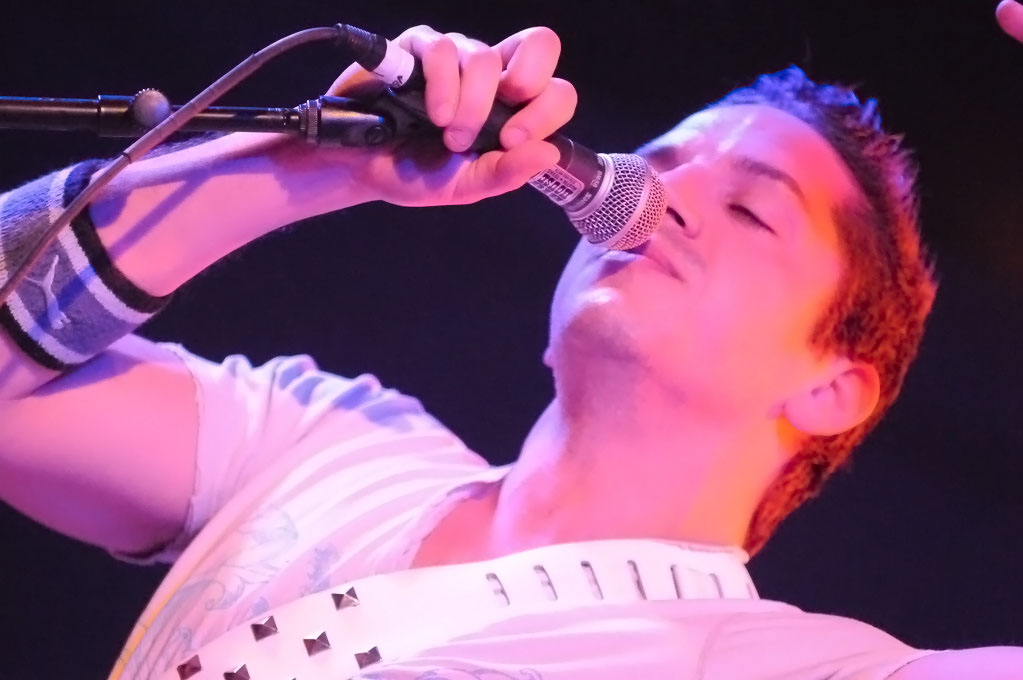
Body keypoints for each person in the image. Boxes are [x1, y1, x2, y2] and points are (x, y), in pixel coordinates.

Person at [1, 8, 1022, 680]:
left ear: (833, 387)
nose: (661, 199)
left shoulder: (799, 666)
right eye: (654, 163)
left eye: (752, 212)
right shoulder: (320, 442)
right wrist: (314, 163)